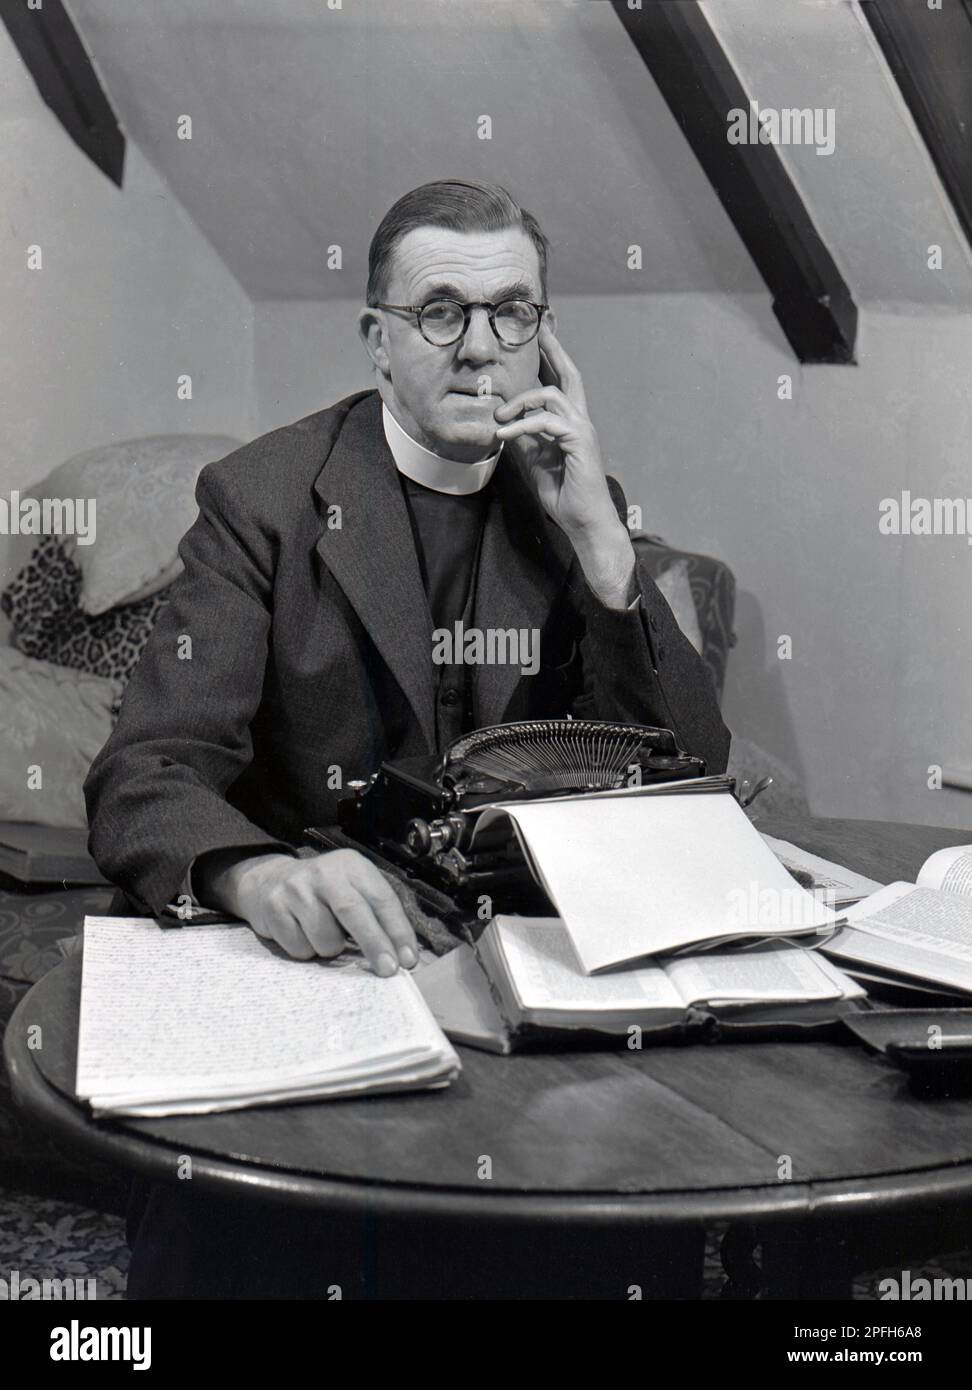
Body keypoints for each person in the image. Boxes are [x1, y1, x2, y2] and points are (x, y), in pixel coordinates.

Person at [84, 178, 729, 1297]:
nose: (480, 350)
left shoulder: (578, 497)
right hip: (330, 959)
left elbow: (684, 774)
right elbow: (148, 767)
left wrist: (603, 546)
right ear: (378, 341)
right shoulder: (265, 499)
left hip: (531, 982)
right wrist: (252, 874)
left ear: (546, 339)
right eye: (440, 312)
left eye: (512, 314)